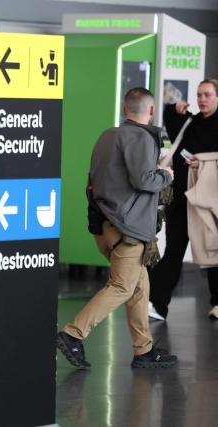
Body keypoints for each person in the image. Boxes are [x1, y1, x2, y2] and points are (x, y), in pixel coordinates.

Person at [57, 88, 178, 370]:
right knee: (123, 286)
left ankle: (143, 349)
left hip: (105, 225)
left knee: (139, 287)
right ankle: (73, 334)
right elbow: (144, 180)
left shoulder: (107, 136)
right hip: (129, 229)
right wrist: (166, 175)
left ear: (125, 110)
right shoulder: (142, 138)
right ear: (150, 111)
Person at [148, 79, 218, 321]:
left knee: (212, 253)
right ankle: (157, 303)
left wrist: (206, 160)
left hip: (208, 199)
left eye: (208, 94)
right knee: (175, 249)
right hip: (181, 196)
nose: (202, 99)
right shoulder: (193, 121)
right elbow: (173, 128)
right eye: (199, 94)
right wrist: (172, 109)